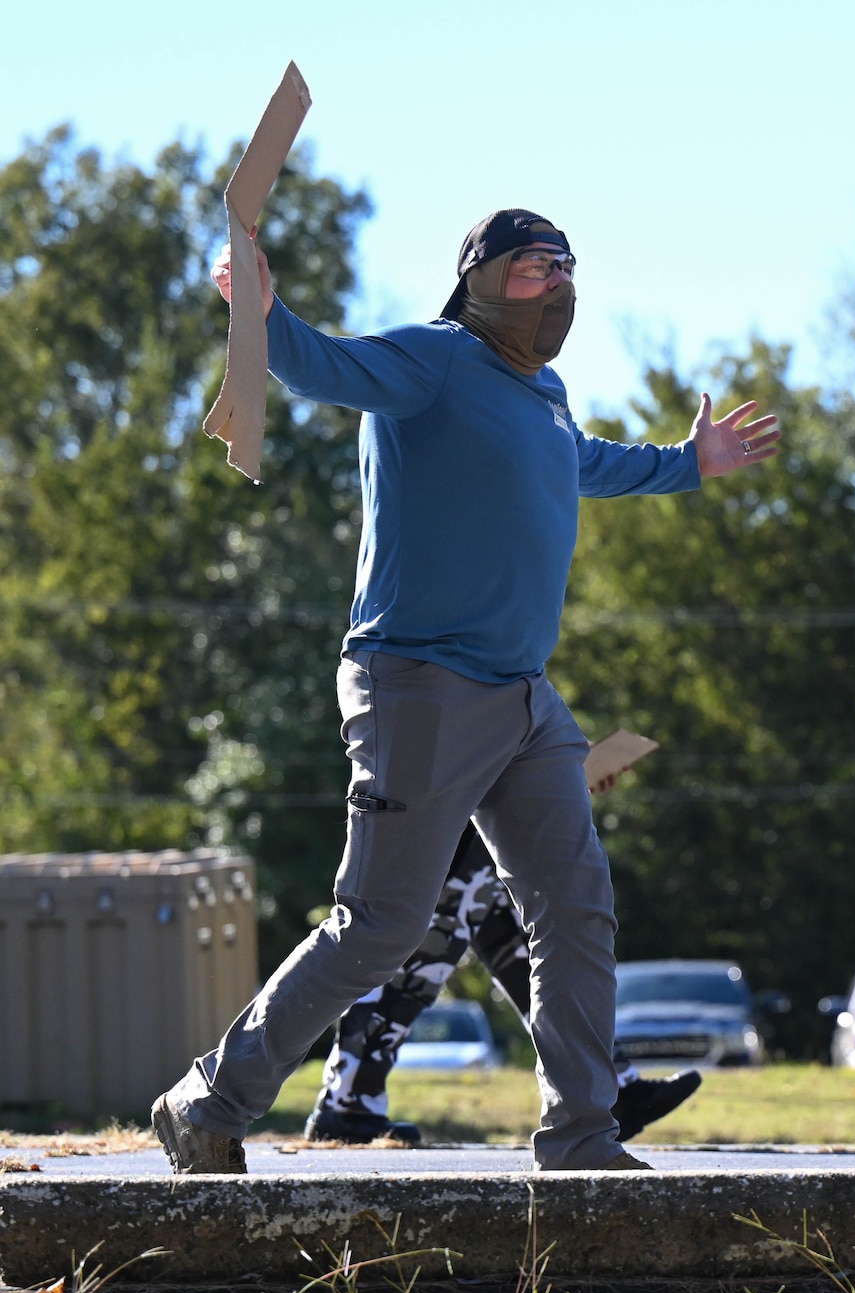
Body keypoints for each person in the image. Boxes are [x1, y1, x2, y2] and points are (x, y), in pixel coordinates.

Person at [152, 209, 777, 1173]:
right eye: (534, 267)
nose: (557, 285)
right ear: (481, 279)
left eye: (566, 269)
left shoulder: (546, 394)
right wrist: (264, 317)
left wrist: (691, 465)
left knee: (575, 906)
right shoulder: (434, 360)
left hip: (525, 699)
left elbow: (588, 464)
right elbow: (323, 366)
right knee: (383, 925)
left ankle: (579, 1133)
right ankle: (210, 1097)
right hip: (420, 685)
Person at [306, 759, 701, 1148]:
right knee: (425, 951)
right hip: (452, 796)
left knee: (525, 952)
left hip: (476, 794)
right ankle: (348, 1102)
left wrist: (568, 770)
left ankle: (613, 1087)